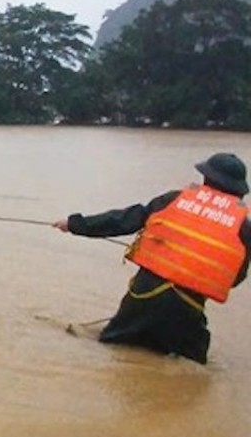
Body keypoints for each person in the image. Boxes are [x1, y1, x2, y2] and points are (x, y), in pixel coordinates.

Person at [52, 153, 251, 364]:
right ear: (237, 190)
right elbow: (235, 277)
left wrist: (74, 224)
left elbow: (123, 220)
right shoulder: (244, 228)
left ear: (206, 178)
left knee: (112, 347)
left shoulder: (173, 199)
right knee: (194, 368)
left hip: (142, 297)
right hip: (187, 309)